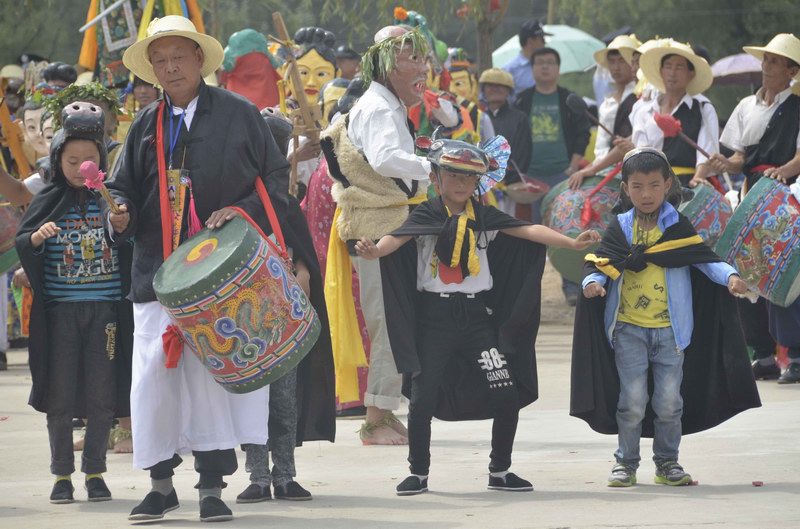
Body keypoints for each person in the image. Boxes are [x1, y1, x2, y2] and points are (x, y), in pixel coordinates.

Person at [108, 15, 332, 522]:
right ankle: (160, 485)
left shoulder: (239, 114)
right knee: (153, 384)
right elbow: (122, 189)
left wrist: (244, 212)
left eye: (178, 58)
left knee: (212, 384)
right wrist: (116, 212)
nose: (169, 69)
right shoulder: (145, 125)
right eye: (159, 61)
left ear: (200, 61)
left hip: (223, 277)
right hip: (157, 276)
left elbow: (274, 180)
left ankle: (212, 488)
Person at [354, 135, 599, 495]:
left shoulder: (484, 215)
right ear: (436, 178)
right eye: (451, 175)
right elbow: (398, 238)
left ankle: (500, 471)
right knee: (422, 400)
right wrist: (375, 252)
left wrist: (571, 242)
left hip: (475, 319)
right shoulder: (426, 213)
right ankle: (418, 473)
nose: (459, 183)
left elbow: (528, 230)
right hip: (433, 320)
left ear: (478, 182)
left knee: (506, 394)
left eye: (468, 178)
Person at [572, 148, 761, 488]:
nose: (646, 194)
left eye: (654, 185)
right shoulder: (621, 228)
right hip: (628, 329)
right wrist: (591, 284)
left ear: (667, 185)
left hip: (672, 333)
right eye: (638, 186)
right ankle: (625, 463)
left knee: (670, 403)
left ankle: (667, 463)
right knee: (630, 402)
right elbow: (601, 262)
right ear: (625, 188)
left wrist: (731, 278)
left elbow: (705, 259)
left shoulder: (678, 227)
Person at [15, 102, 133, 504]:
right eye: (72, 159)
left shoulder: (111, 200)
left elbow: (129, 239)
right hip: (61, 314)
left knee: (103, 397)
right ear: (58, 159)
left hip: (105, 314)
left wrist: (121, 224)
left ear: (102, 160)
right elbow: (23, 242)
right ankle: (61, 474)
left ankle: (96, 472)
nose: (81, 165)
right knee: (61, 398)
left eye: (90, 159)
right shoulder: (47, 198)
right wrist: (35, 239)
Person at [320, 26, 431, 445]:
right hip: (379, 229)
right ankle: (375, 418)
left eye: (424, 59)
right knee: (387, 322)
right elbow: (386, 159)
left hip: (385, 224)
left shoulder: (386, 103)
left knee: (394, 320)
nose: (423, 68)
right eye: (414, 59)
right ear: (388, 64)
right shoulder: (381, 108)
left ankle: (384, 409)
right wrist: (433, 165)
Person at [709, 33, 800, 383]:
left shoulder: (797, 105)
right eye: (766, 59)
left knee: (783, 270)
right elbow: (741, 156)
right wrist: (727, 164)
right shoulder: (746, 106)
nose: (767, 66)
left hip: (786, 197)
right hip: (751, 193)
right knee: (748, 270)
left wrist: (785, 172)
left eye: (776, 61)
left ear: (791, 70)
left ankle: (794, 355)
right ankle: (762, 354)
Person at [633, 40, 718, 188]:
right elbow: (641, 154)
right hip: (651, 185)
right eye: (668, 66)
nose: (672, 73)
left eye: (679, 67)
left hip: (688, 182)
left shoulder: (703, 109)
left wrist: (697, 179)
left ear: (691, 74)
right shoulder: (644, 112)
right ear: (661, 71)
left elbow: (707, 151)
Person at [569, 35, 641, 190]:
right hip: (602, 167)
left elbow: (626, 145)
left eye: (622, 61)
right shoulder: (607, 101)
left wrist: (592, 169)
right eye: (612, 62)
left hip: (627, 170)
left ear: (635, 63)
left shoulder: (639, 98)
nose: (616, 67)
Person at [478, 68, 531, 215]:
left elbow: (522, 155)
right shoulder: (478, 117)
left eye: (500, 86)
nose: (495, 89)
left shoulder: (519, 118)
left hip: (508, 187)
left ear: (508, 91)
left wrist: (507, 179)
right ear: (483, 90)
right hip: (478, 185)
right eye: (490, 85)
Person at [220, 28, 281, 110]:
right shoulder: (265, 59)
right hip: (270, 110)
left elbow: (224, 72)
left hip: (238, 111)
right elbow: (277, 67)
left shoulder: (231, 57)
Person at [503, 20, 550, 100]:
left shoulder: (547, 66)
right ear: (530, 42)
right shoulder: (509, 70)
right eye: (542, 39)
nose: (544, 43)